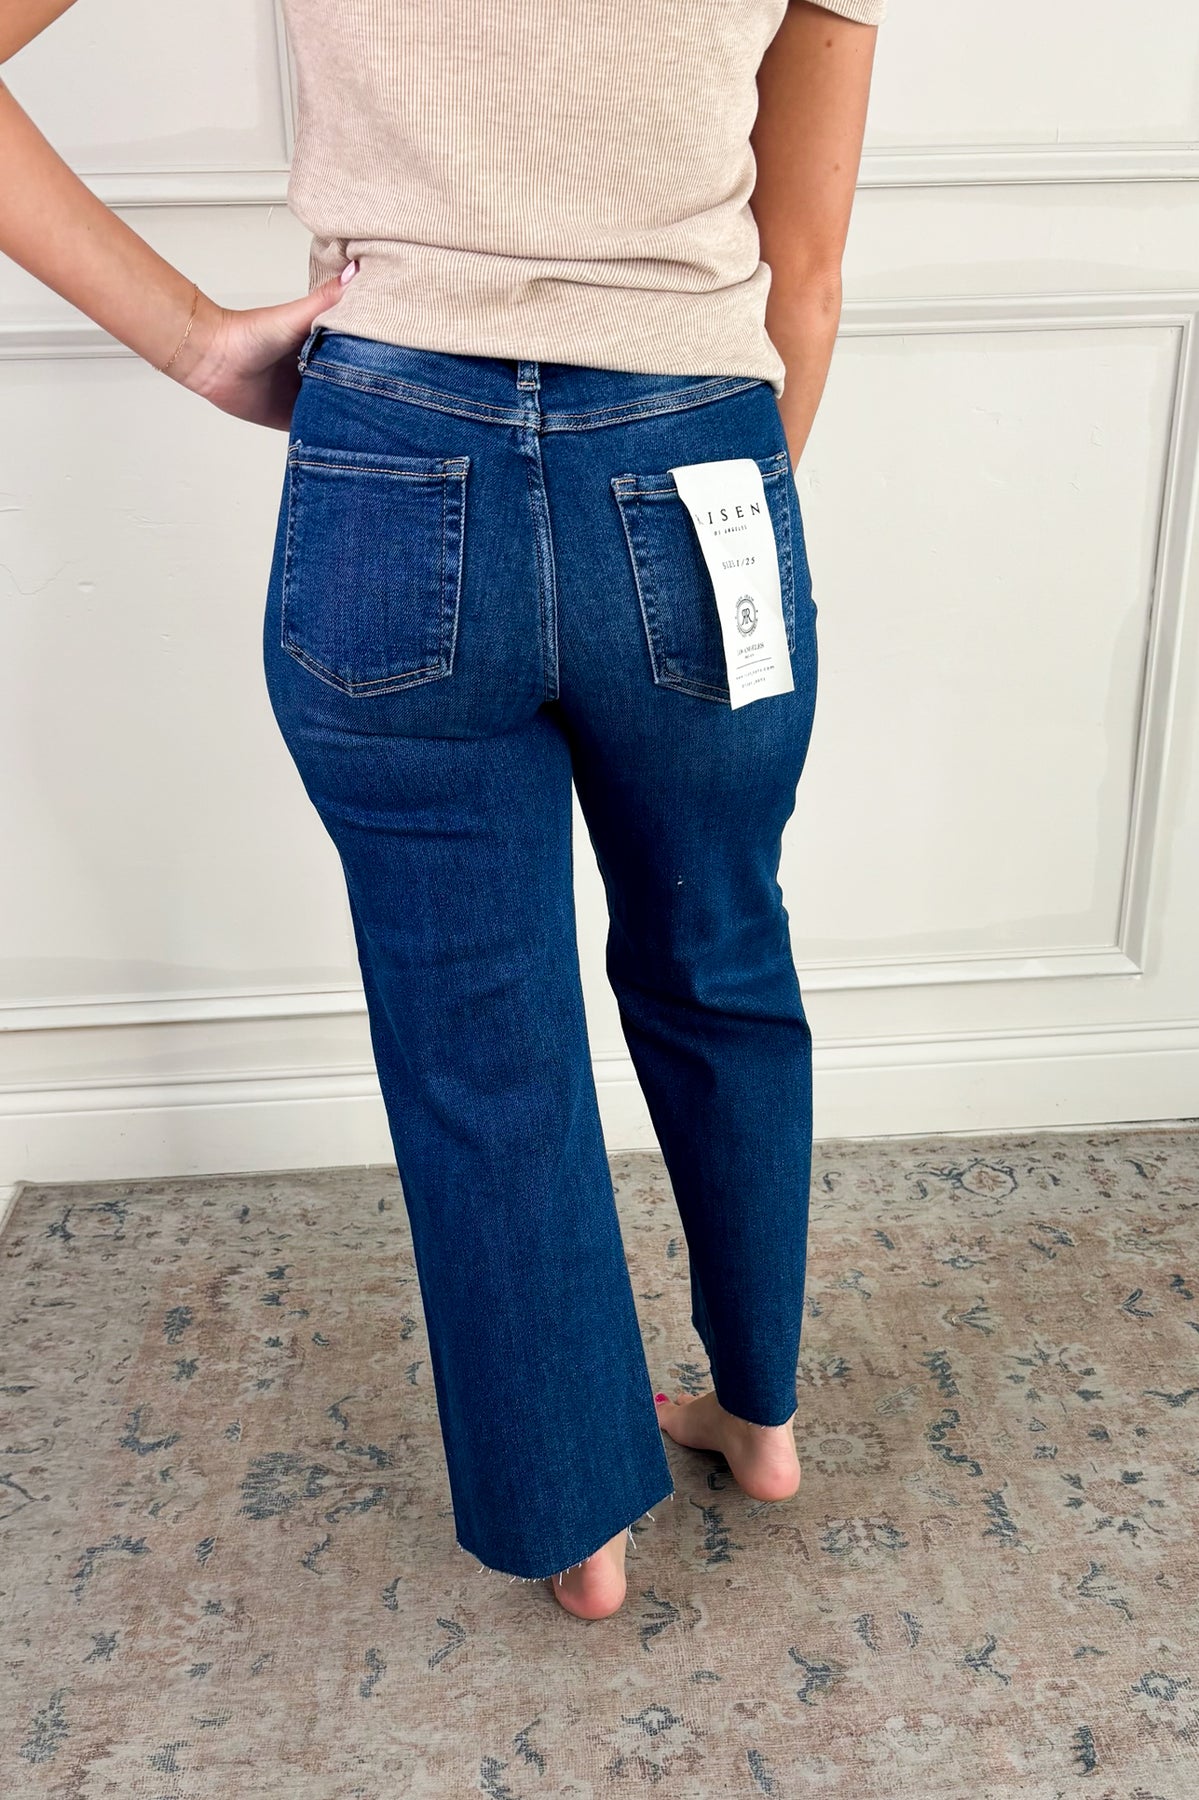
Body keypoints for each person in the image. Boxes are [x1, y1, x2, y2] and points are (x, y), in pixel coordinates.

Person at [0, 0, 883, 1622]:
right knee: (720, 950)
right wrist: (718, 505)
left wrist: (198, 340)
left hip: (393, 462)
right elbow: (806, 271)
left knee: (479, 1030)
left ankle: (577, 1529)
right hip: (693, 464)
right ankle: (760, 1419)